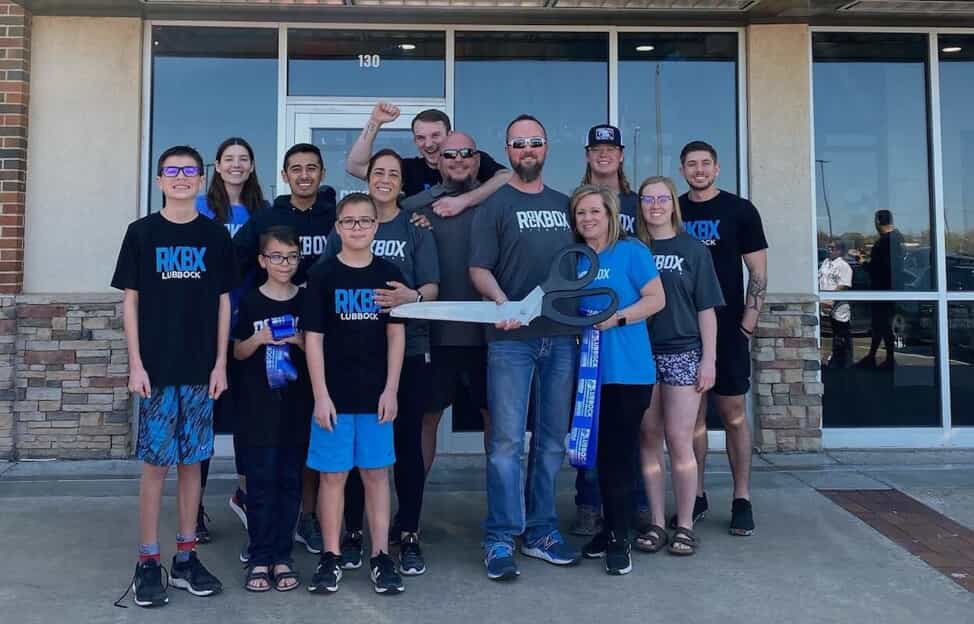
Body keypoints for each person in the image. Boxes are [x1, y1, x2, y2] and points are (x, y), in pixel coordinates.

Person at [112, 145, 236, 607]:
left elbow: (224, 300)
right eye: (172, 171)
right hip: (158, 369)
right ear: (160, 180)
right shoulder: (141, 233)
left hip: (202, 370)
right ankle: (148, 560)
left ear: (201, 180)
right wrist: (136, 363)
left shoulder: (215, 235)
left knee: (192, 463)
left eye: (189, 171)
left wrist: (221, 362)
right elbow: (130, 301)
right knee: (155, 465)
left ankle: (186, 557)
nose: (181, 177)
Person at [470, 114, 581, 581]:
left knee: (552, 441)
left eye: (534, 142)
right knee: (506, 443)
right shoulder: (494, 205)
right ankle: (499, 538)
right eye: (518, 144)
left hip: (560, 339)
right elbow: (479, 269)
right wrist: (503, 304)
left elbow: (585, 265)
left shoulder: (566, 205)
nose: (527, 150)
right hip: (510, 342)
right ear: (508, 150)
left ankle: (540, 531)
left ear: (547, 147)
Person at [320, 149, 439, 577]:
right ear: (366, 178)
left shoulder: (416, 226)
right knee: (354, 451)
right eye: (378, 172)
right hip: (353, 357)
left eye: (393, 173)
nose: (385, 178)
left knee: (404, 446)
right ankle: (354, 532)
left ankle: (406, 533)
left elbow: (431, 288)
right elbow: (327, 283)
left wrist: (413, 297)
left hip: (407, 351)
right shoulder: (348, 225)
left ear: (401, 182)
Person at [233, 142, 338, 555]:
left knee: (306, 443)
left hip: (322, 332)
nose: (305, 175)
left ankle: (305, 519)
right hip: (267, 346)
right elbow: (233, 259)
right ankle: (262, 533)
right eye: (296, 169)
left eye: (312, 168)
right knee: (262, 449)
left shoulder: (335, 216)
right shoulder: (267, 218)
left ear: (322, 173)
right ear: (285, 174)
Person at [302, 192, 407, 596]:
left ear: (375, 226)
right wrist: (320, 395)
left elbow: (396, 334)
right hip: (336, 397)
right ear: (338, 227)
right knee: (332, 477)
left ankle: (381, 556)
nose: (357, 228)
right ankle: (331, 556)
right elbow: (313, 339)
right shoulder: (324, 275)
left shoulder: (388, 272)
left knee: (377, 475)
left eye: (365, 221)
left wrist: (392, 388)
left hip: (376, 395)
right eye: (349, 222)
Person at [569, 185, 665, 575]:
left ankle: (618, 538)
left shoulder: (632, 252)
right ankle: (610, 527)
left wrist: (616, 318)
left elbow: (656, 299)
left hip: (628, 372)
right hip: (590, 375)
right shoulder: (575, 259)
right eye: (580, 213)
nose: (588, 219)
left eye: (595, 211)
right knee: (597, 457)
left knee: (618, 456)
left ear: (610, 214)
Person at [678, 140, 767, 536]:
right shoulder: (674, 210)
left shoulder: (740, 211)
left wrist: (748, 321)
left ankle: (741, 497)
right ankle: (695, 495)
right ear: (682, 170)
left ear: (717, 169)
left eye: (705, 164)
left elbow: (758, 272)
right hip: (683, 331)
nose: (698, 170)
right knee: (692, 419)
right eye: (691, 164)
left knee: (732, 415)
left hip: (729, 328)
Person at [636, 176, 724, 557]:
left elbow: (707, 309)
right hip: (640, 353)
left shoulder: (693, 249)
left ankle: (684, 524)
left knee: (679, 440)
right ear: (640, 205)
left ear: (673, 203)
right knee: (648, 439)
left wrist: (709, 359)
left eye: (662, 198)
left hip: (683, 352)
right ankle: (656, 521)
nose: (655, 205)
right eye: (648, 199)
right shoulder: (633, 248)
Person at [400, 132, 490, 477]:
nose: (458, 159)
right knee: (427, 419)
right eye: (450, 154)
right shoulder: (415, 209)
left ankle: (503, 513)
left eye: (467, 153)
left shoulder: (496, 202)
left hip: (490, 335)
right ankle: (411, 516)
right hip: (435, 335)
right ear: (438, 160)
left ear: (478, 159)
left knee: (494, 419)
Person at [571, 124, 646, 537]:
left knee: (626, 434)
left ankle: (632, 506)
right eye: (596, 148)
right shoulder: (577, 203)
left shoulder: (638, 208)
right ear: (588, 154)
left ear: (620, 155)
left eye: (610, 148)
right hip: (585, 341)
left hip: (629, 337)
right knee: (587, 420)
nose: (603, 155)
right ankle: (588, 502)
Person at [194, 137, 269, 547]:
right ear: (217, 166)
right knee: (205, 417)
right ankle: (196, 506)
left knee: (247, 415)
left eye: (244, 158)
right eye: (229, 159)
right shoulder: (203, 209)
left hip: (250, 327)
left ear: (252, 165)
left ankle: (245, 494)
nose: (237, 165)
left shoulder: (262, 211)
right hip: (208, 329)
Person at [232, 225, 310, 593]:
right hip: (257, 408)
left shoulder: (305, 301)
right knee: (260, 484)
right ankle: (259, 555)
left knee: (290, 482)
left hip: (295, 406)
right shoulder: (250, 302)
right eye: (277, 257)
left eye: (292, 257)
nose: (285, 264)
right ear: (263, 261)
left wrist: (299, 341)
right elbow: (237, 352)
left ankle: (282, 555)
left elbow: (320, 352)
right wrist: (258, 338)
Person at [346, 102, 511, 213]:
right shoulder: (409, 168)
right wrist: (375, 121)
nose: (428, 144)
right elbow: (355, 167)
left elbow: (507, 177)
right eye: (421, 138)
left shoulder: (468, 160)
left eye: (435, 135)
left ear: (450, 135)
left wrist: (465, 200)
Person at [857, 210, 904, 369]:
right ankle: (872, 356)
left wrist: (863, 262)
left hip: (884, 290)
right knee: (879, 325)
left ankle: (888, 359)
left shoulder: (885, 242)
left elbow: (880, 268)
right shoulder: (897, 239)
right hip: (891, 289)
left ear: (878, 221)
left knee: (883, 324)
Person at [819, 240, 853, 369]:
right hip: (824, 305)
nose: (829, 250)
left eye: (832, 248)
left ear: (839, 251)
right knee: (832, 335)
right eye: (828, 247)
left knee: (841, 335)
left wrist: (831, 301)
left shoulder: (844, 266)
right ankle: (834, 359)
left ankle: (844, 362)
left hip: (838, 308)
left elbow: (843, 286)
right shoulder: (826, 263)